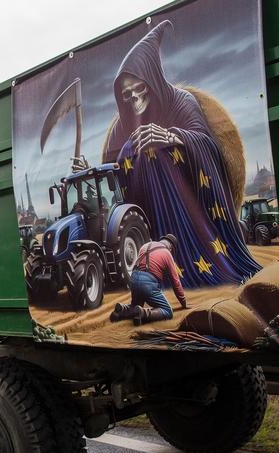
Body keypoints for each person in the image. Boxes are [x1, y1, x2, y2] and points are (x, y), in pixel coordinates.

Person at [102, 20, 261, 289]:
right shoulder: (124, 122)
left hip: (192, 206)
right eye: (126, 95)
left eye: (138, 89)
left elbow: (206, 144)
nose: (134, 99)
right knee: (138, 151)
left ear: (152, 80)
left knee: (158, 153)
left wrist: (172, 137)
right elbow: (116, 171)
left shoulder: (181, 101)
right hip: (148, 210)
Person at [110, 234, 187, 325]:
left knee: (136, 306)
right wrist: (183, 302)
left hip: (134, 279)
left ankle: (122, 310)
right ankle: (143, 313)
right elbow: (176, 282)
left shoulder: (145, 246)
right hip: (148, 283)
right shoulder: (167, 253)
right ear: (171, 248)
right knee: (167, 311)